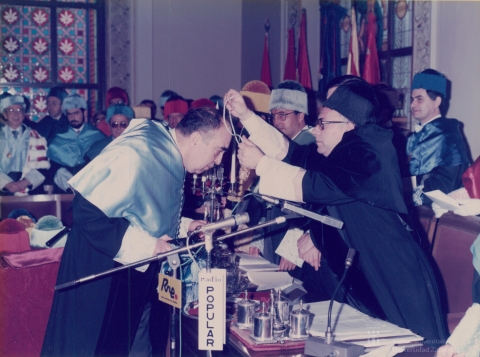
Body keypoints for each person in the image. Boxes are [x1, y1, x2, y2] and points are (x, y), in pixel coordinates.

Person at [225, 77, 448, 341]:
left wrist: (260, 164)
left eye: (322, 123)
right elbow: (291, 152)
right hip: (369, 273)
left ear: (349, 124)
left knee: (414, 347)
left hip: (397, 277)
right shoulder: (345, 148)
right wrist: (247, 116)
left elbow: (313, 185)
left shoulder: (368, 155)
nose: (315, 130)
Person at [41, 106, 232, 357]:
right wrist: (149, 246)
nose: (218, 161)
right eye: (218, 151)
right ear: (196, 139)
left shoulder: (166, 147)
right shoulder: (141, 151)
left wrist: (185, 225)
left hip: (134, 275)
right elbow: (88, 211)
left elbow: (142, 210)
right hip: (104, 272)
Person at [407, 69, 470, 206]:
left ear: (436, 102)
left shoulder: (448, 135)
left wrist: (410, 196)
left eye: (419, 99)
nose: (412, 104)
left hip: (440, 214)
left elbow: (447, 182)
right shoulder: (412, 136)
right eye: (412, 99)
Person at [47, 94, 104, 192]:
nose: (73, 117)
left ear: (84, 113)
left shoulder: (97, 136)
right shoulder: (59, 138)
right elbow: (54, 167)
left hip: (92, 187)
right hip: (66, 188)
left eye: (76, 113)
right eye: (69, 114)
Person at [0, 95, 50, 196]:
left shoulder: (36, 137)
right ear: (5, 115)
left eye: (19, 110)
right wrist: (7, 184)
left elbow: (43, 167)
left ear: (24, 115)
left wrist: (25, 182)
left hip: (30, 189)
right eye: (11, 110)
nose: (15, 114)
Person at [269, 80, 315, 145]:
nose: (275, 122)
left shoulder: (313, 143)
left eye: (282, 115)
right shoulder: (280, 141)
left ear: (300, 116)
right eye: (273, 116)